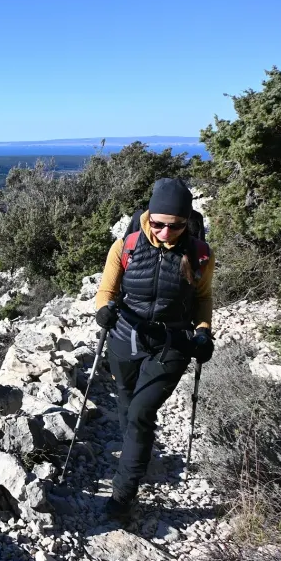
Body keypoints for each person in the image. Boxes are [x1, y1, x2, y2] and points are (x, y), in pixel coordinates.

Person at [93, 178, 216, 521]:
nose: (165, 232)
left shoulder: (200, 253)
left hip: (171, 343)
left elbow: (203, 298)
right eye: (158, 223)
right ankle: (137, 454)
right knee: (126, 402)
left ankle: (122, 496)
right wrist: (103, 310)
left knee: (141, 413)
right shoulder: (126, 246)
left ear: (187, 221)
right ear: (148, 216)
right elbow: (107, 290)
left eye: (174, 226)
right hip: (125, 338)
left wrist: (203, 333)